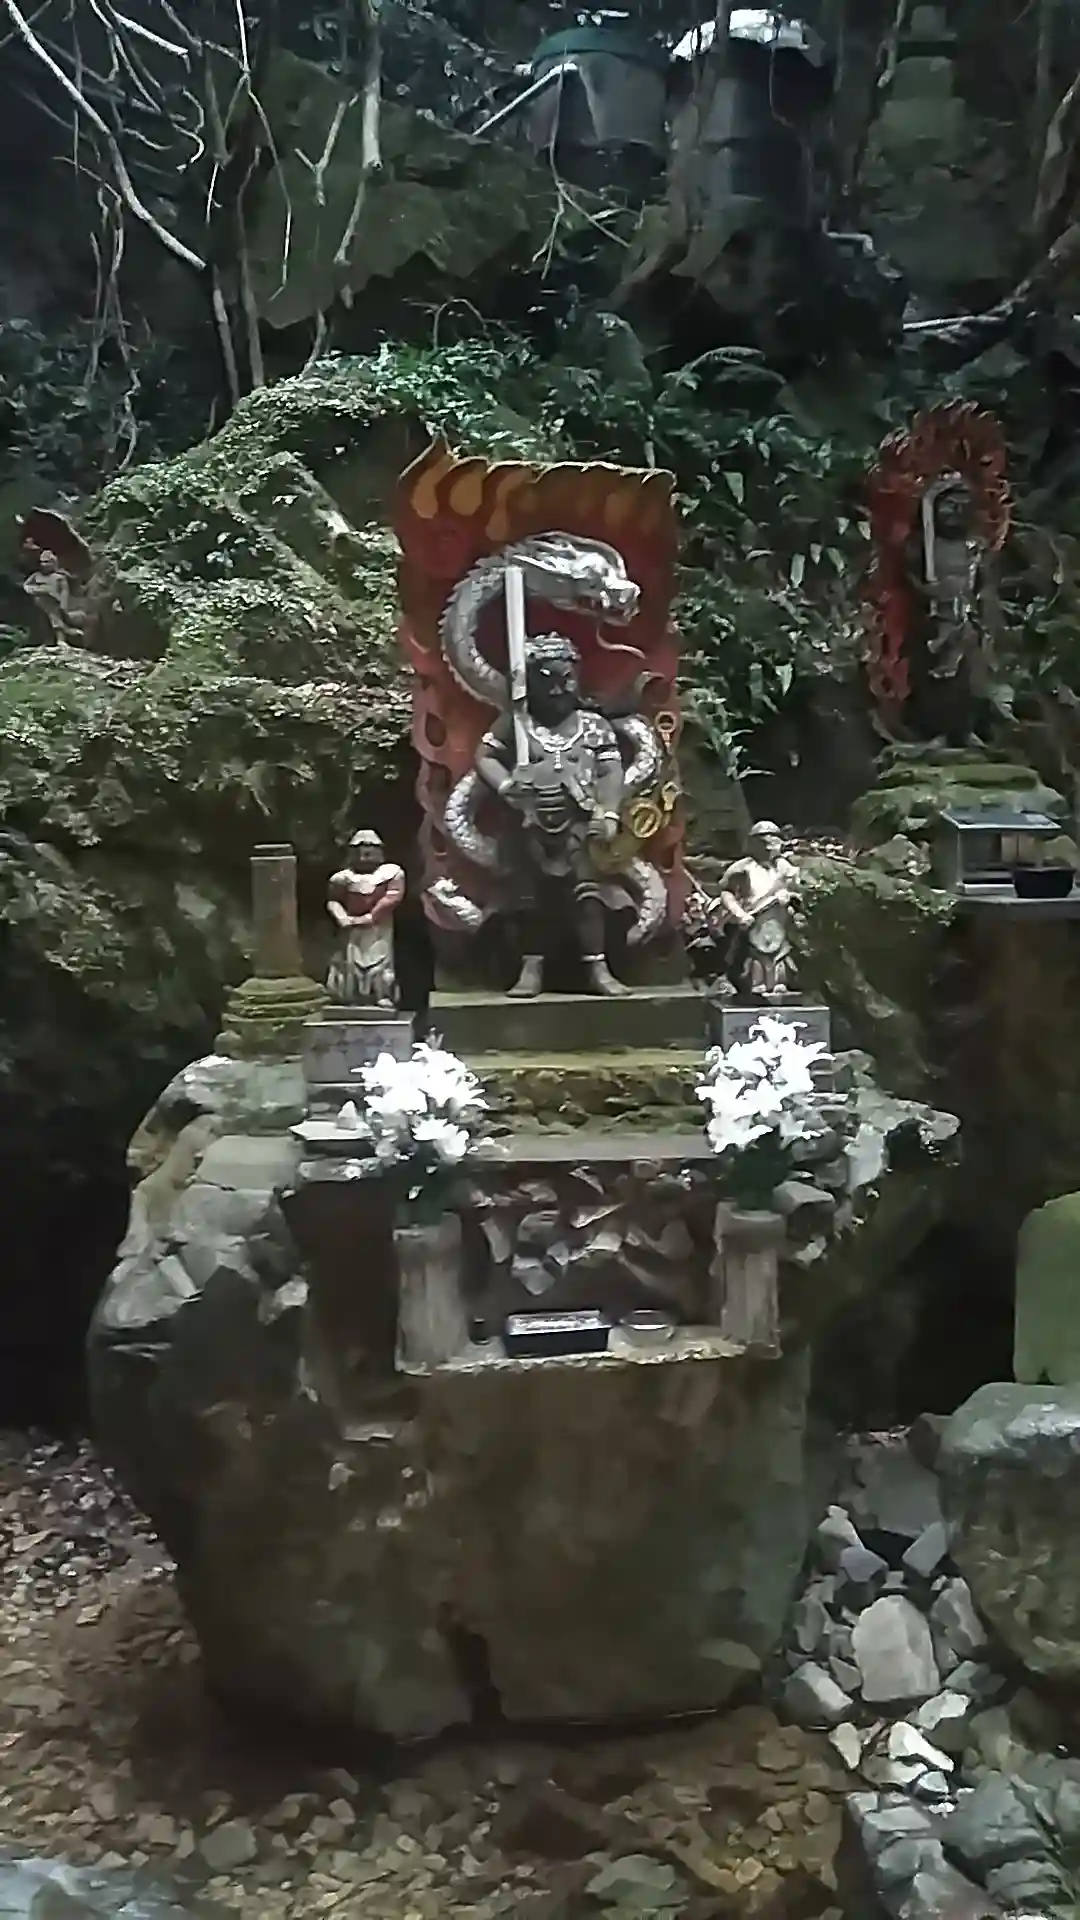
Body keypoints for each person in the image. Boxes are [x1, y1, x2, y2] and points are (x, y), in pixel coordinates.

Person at [475, 632, 627, 997]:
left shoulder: (593, 726)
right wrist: (507, 786)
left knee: (588, 895)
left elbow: (611, 771)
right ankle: (531, 967)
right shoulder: (517, 725)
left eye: (565, 679)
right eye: (546, 680)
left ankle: (597, 966)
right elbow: (485, 756)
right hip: (529, 824)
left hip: (579, 824)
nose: (557, 689)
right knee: (529, 900)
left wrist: (608, 813)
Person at [715, 821, 799, 999]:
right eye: (763, 843)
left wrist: (790, 897)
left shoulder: (785, 868)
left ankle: (779, 985)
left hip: (779, 925)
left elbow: (798, 890)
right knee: (753, 967)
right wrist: (740, 914)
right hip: (753, 924)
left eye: (772, 842)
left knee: (781, 965)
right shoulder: (743, 867)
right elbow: (726, 893)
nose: (768, 848)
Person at [326, 830, 405, 1008]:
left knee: (380, 964)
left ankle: (381, 995)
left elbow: (392, 897)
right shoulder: (341, 877)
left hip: (379, 928)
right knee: (348, 962)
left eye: (371, 848)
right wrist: (342, 917)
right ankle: (350, 996)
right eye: (359, 848)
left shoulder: (392, 873)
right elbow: (333, 900)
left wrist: (371, 917)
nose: (365, 853)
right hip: (350, 928)